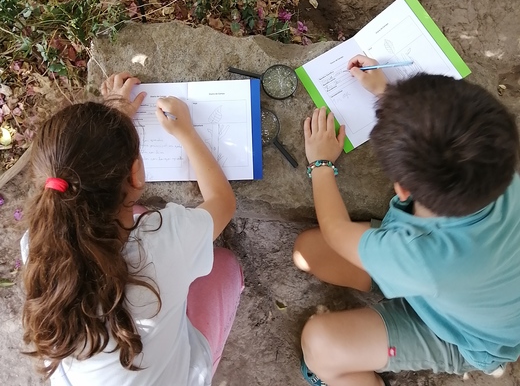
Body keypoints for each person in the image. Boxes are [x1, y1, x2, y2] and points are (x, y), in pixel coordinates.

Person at [293, 55, 520, 386]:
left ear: (402, 189)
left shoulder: (420, 253)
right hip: (475, 291)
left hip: (470, 340)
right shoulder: (499, 165)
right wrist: (391, 95)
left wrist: (321, 164)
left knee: (319, 344)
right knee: (309, 251)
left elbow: (336, 231)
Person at [21, 72, 243, 386]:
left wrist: (112, 124)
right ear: (136, 175)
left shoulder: (37, 243)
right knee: (225, 265)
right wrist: (187, 133)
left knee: (136, 215)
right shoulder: (165, 241)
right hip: (180, 375)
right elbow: (222, 201)